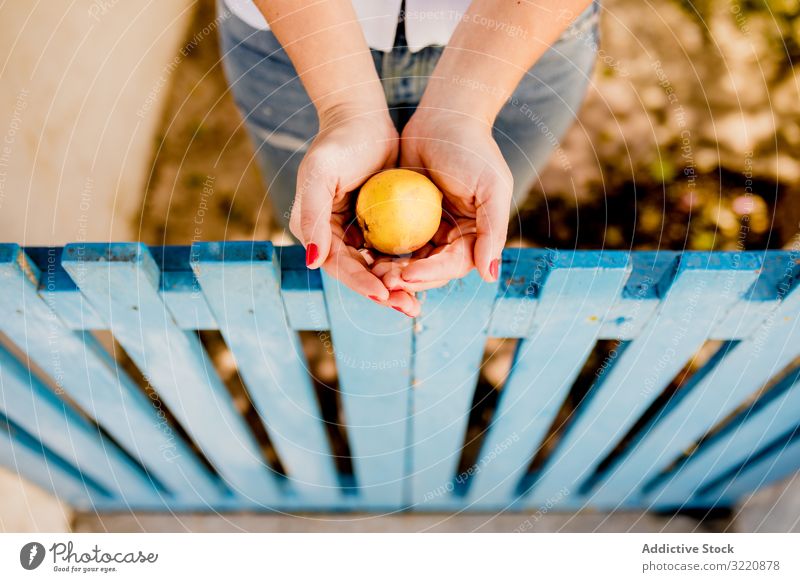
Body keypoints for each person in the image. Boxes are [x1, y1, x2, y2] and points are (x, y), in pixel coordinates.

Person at [219, 0, 598, 316]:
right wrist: (344, 108)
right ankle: (334, 315)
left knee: (474, 213)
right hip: (297, 33)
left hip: (522, 35)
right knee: (318, 220)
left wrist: (463, 112)